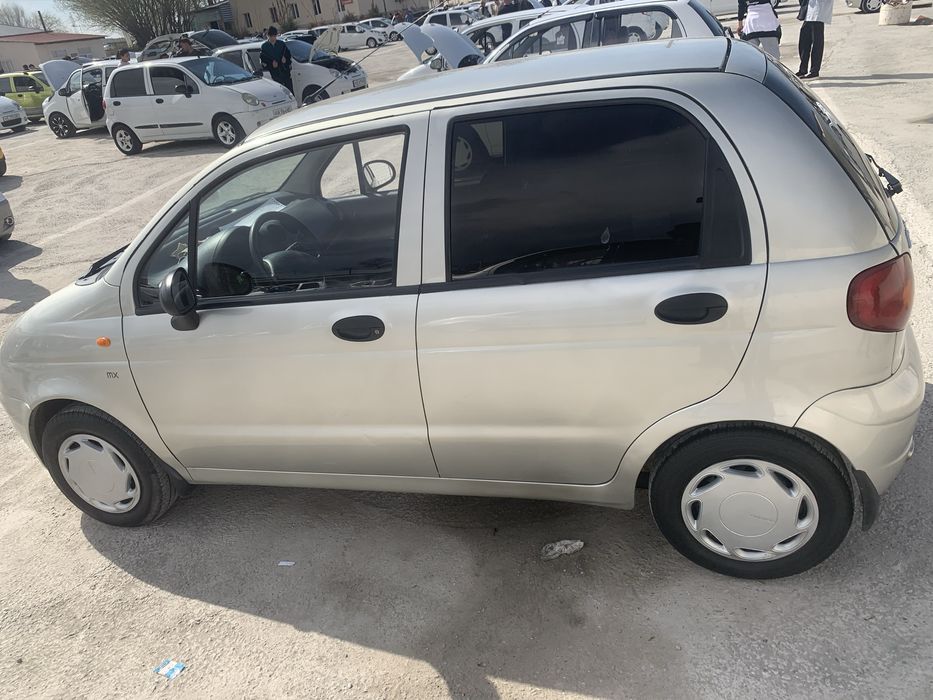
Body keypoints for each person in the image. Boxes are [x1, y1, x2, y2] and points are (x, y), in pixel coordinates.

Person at [797, 0, 832, 78]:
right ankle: (803, 69)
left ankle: (814, 71)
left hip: (818, 13)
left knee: (817, 44)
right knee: (803, 41)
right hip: (809, 11)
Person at [260, 26, 293, 93]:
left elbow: (288, 55)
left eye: (274, 36)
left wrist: (286, 60)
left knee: (289, 90)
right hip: (274, 73)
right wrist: (271, 64)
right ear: (267, 36)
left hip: (284, 70)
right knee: (279, 91)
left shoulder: (281, 44)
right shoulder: (264, 47)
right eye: (271, 36)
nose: (273, 38)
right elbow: (263, 60)